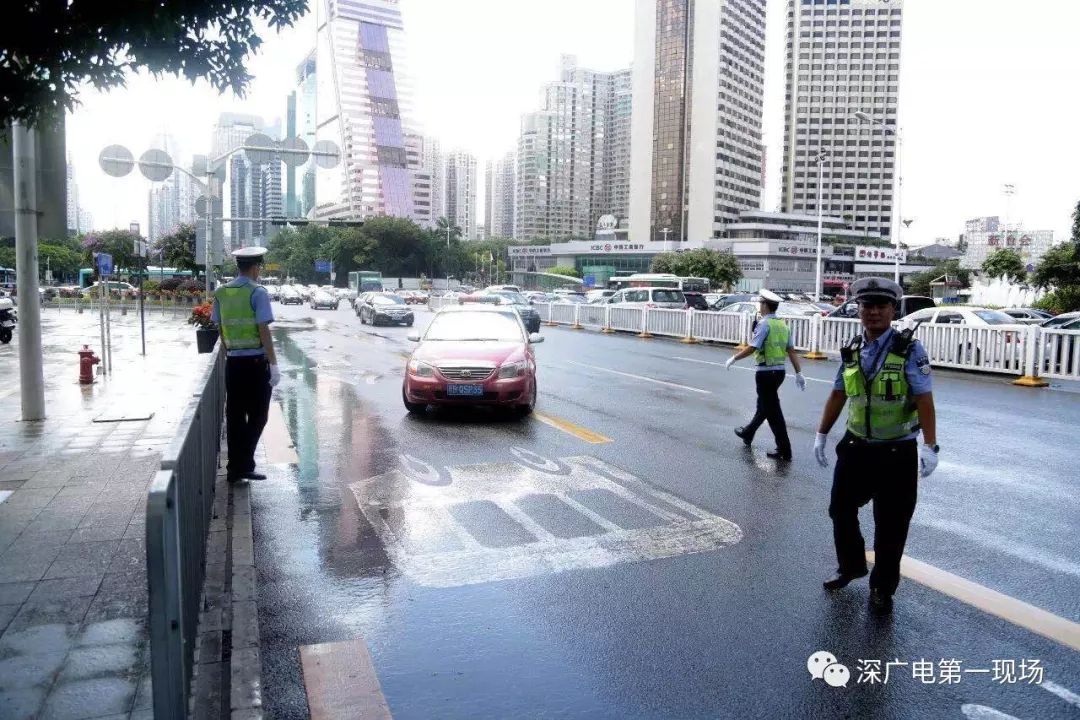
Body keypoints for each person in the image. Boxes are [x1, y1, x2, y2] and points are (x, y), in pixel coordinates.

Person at [813, 277, 938, 614]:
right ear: (858, 310)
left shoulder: (910, 349)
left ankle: (883, 587)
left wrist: (930, 445)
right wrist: (822, 434)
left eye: (881, 306)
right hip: (856, 446)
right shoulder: (853, 348)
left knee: (892, 523)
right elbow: (838, 393)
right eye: (867, 306)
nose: (873, 312)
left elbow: (924, 399)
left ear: (892, 310)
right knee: (840, 509)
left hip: (896, 451)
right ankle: (851, 566)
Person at [212, 247, 281, 483]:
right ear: (256, 267)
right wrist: (273, 364)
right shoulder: (257, 292)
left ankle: (236, 468)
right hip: (256, 365)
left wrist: (230, 351)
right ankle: (243, 465)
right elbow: (263, 330)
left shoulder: (221, 292)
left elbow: (220, 327)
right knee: (259, 416)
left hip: (233, 363)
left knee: (235, 416)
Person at [725, 289, 806, 461]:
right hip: (779, 373)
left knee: (773, 412)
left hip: (765, 374)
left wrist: (734, 358)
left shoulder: (764, 324)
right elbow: (791, 351)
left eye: (760, 303)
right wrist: (798, 373)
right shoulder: (783, 325)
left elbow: (753, 347)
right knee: (764, 406)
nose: (759, 306)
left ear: (765, 305)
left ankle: (784, 449)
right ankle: (748, 432)